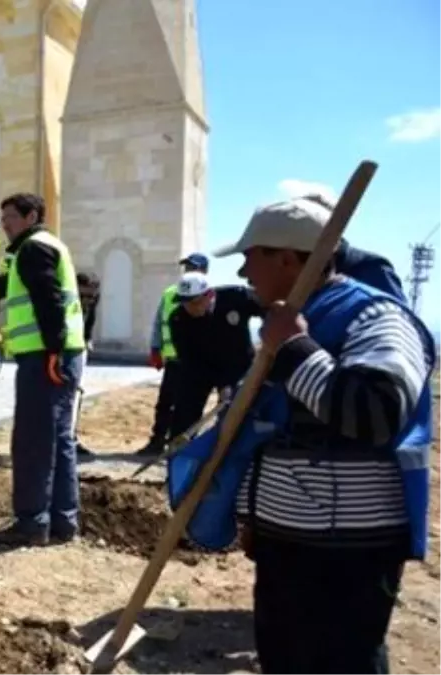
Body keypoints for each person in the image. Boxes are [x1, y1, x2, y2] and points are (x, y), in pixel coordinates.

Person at [216, 196, 433, 674]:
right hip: (287, 547)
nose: (244, 274)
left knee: (342, 664)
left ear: (288, 260)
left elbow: (377, 413)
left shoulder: (375, 317)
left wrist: (294, 346)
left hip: (347, 555)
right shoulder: (285, 321)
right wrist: (258, 516)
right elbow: (276, 425)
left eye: (250, 258)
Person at [0, 193, 85, 547]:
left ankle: (31, 524)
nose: (3, 224)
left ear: (31, 215)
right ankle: (63, 522)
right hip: (62, 353)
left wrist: (52, 351)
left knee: (33, 441)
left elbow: (48, 300)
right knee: (60, 438)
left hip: (45, 357)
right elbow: (13, 284)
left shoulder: (34, 248)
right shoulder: (42, 247)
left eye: (9, 217)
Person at [166, 271, 264, 435]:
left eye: (195, 302)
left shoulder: (236, 298)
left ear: (209, 295)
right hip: (200, 368)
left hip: (238, 366)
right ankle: (178, 456)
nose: (190, 308)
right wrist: (221, 383)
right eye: (185, 303)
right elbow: (189, 359)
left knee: (234, 415)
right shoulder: (178, 319)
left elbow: (268, 308)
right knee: (184, 413)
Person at [139, 253, 209, 456]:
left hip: (196, 363)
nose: (189, 271)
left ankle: (183, 445)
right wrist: (155, 348)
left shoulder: (208, 295)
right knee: (165, 404)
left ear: (204, 271)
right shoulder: (171, 293)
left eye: (193, 268)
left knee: (188, 406)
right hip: (173, 360)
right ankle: (157, 441)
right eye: (187, 268)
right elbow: (159, 321)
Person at [74, 272, 101, 457]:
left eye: (91, 297)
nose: (87, 301)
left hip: (78, 350)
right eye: (82, 296)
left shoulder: (93, 301)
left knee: (76, 396)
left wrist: (87, 338)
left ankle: (71, 438)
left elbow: (91, 319)